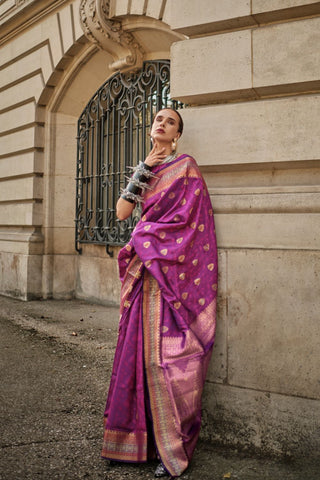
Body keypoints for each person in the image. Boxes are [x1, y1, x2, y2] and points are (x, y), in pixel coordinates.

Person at [101, 108, 218, 478]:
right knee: (136, 358)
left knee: (170, 361)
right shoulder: (145, 169)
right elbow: (122, 213)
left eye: (170, 121)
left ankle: (173, 448)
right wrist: (141, 172)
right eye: (158, 118)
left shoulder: (186, 167)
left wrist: (150, 238)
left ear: (178, 134)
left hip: (170, 275)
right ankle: (136, 445)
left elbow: (192, 222)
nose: (161, 123)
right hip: (144, 277)